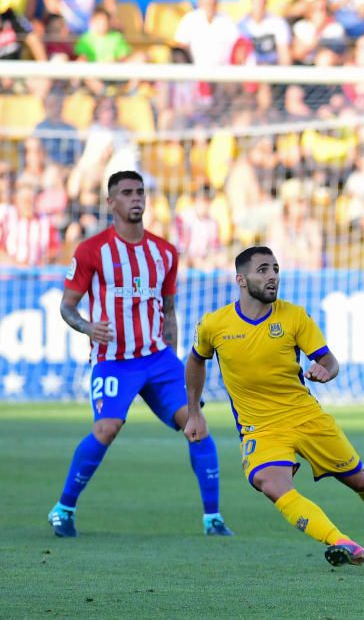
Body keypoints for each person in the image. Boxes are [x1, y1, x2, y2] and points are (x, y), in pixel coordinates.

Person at [184, 246, 364, 568]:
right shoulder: (214, 325)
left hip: (306, 418)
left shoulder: (295, 316)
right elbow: (195, 361)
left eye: (275, 268)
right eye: (263, 270)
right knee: (269, 483)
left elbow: (328, 359)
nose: (272, 275)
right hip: (261, 427)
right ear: (241, 280)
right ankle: (340, 541)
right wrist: (194, 411)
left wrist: (326, 370)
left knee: (361, 481)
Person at [47, 170, 232, 538]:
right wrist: (87, 327)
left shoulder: (164, 252)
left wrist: (175, 358)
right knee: (106, 428)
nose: (136, 199)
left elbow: (169, 310)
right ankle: (63, 508)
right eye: (127, 193)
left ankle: (213, 518)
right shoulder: (90, 251)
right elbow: (67, 307)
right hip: (113, 360)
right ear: (110, 202)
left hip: (158, 359)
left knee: (196, 426)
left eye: (140, 192)